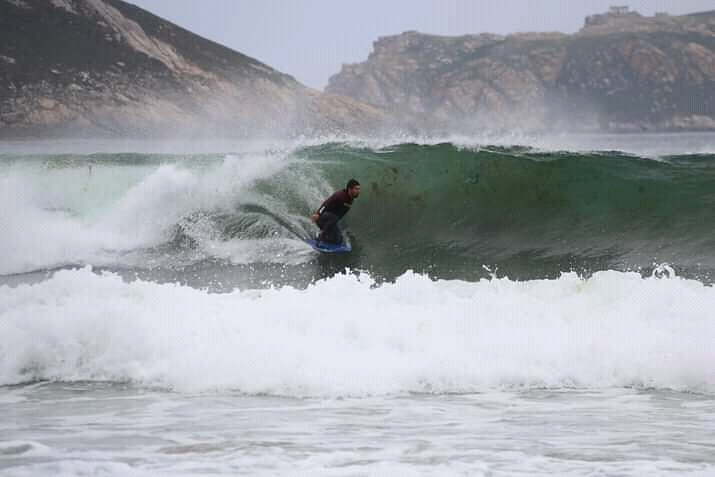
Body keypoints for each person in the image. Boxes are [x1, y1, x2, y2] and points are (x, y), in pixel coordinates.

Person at [311, 179, 361, 244]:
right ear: (350, 189)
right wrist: (318, 214)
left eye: (359, 189)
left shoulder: (350, 199)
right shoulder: (339, 195)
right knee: (335, 217)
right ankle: (320, 237)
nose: (358, 191)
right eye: (356, 189)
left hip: (330, 221)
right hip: (322, 218)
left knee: (339, 239)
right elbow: (326, 204)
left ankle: (324, 239)